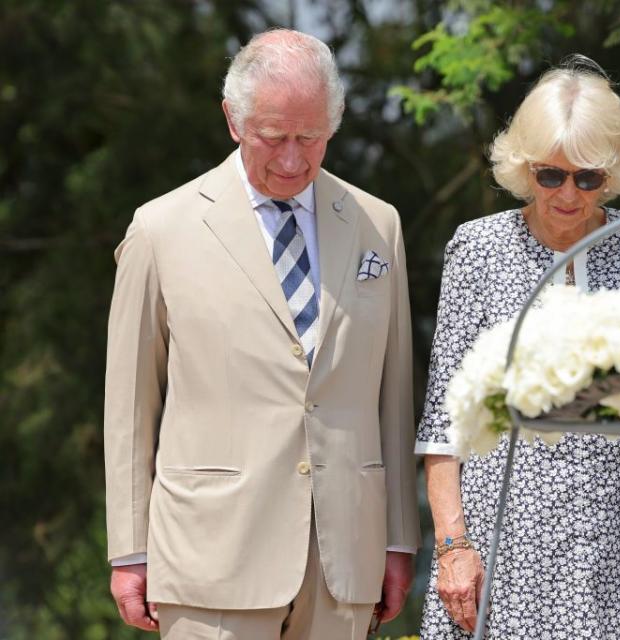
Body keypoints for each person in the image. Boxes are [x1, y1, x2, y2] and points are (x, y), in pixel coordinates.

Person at [103, 29, 419, 640]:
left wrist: (398, 538)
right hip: (210, 560)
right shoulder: (159, 230)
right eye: (273, 138)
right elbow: (130, 406)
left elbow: (394, 393)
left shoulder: (379, 224)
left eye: (312, 138)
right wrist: (129, 551)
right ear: (232, 120)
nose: (293, 160)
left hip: (344, 564)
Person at [416, 61, 620, 639]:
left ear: (613, 174)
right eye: (550, 176)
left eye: (588, 178)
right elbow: (444, 422)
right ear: (525, 169)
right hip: (504, 541)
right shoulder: (477, 250)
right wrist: (452, 546)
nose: (568, 194)